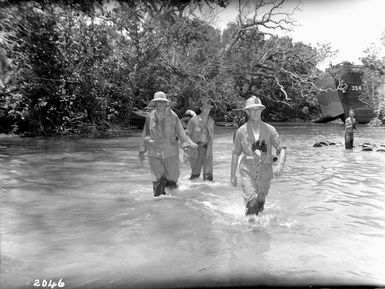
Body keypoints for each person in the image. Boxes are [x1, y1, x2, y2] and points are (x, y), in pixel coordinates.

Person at [230, 96, 287, 216]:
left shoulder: (270, 129)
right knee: (252, 205)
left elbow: (281, 148)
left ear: (261, 110)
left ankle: (255, 226)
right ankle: (250, 230)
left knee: (260, 204)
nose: (256, 113)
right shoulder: (241, 131)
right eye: (252, 110)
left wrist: (281, 164)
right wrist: (233, 175)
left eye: (258, 110)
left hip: (265, 173)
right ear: (247, 112)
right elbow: (235, 153)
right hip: (248, 172)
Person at [138, 91, 198, 197]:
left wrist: (185, 149)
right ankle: (159, 205)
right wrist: (141, 152)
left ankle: (172, 206)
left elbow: (181, 133)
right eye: (158, 102)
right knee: (157, 181)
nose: (160, 104)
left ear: (166, 103)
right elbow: (145, 134)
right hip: (154, 154)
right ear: (154, 104)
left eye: (162, 102)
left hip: (171, 154)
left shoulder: (173, 116)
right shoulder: (150, 117)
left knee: (172, 182)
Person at [186, 100, 215, 181]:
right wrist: (191, 143)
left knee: (208, 177)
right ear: (201, 108)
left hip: (208, 149)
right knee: (195, 176)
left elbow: (211, 137)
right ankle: (194, 193)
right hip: (196, 149)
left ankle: (207, 193)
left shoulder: (211, 121)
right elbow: (187, 135)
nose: (207, 110)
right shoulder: (193, 120)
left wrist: (209, 150)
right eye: (205, 108)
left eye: (209, 108)